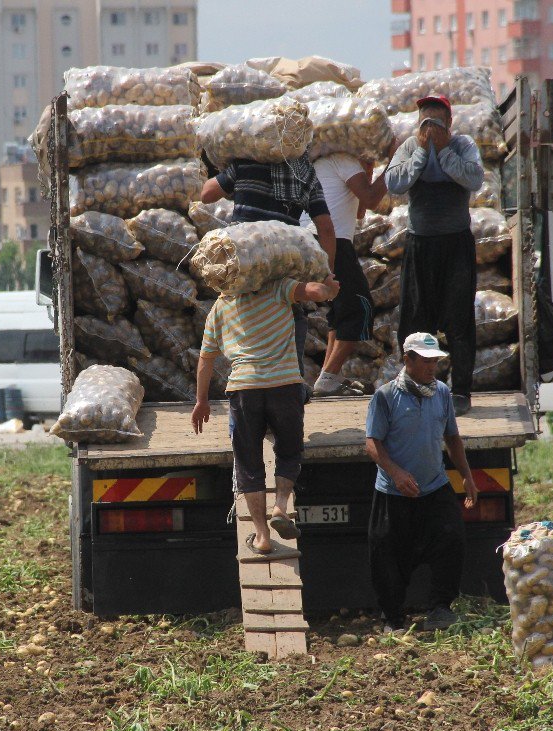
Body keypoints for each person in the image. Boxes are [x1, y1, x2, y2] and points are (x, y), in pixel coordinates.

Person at [191, 275, 340, 555]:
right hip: (284, 385)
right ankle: (280, 506)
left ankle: (261, 536)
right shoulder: (279, 288)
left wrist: (201, 401)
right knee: (289, 451)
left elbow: (206, 358)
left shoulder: (220, 307)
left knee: (248, 464)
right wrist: (329, 288)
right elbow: (314, 291)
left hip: (244, 389)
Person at [199, 150, 338, 399]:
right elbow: (326, 228)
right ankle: (290, 389)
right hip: (283, 269)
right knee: (292, 318)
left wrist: (228, 170)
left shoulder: (245, 163)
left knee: (242, 327)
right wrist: (326, 275)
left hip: (241, 267)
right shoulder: (304, 173)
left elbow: (207, 194)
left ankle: (249, 390)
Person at [365, 332, 478, 632]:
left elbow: (451, 437)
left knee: (451, 539)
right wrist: (396, 473)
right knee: (389, 555)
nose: (432, 367)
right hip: (393, 492)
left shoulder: (441, 392)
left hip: (434, 485)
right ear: (408, 360)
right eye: (426, 361)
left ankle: (440, 608)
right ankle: (393, 619)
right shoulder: (386, 396)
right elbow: (372, 443)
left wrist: (467, 476)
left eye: (435, 362)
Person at [385, 94, 485, 416]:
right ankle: (418, 389)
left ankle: (461, 392)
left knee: (458, 321)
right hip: (420, 245)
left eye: (435, 123)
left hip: (455, 244)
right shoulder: (410, 147)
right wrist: (421, 153)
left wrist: (442, 151)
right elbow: (394, 183)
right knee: (415, 322)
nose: (429, 128)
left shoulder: (462, 145)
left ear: (449, 124)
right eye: (424, 122)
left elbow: (475, 178)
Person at [302, 143, 398, 396]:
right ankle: (329, 376)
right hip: (330, 239)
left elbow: (360, 211)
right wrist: (395, 161)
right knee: (360, 306)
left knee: (341, 308)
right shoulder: (342, 157)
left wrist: (367, 174)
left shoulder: (326, 164)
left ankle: (328, 376)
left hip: (314, 239)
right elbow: (372, 199)